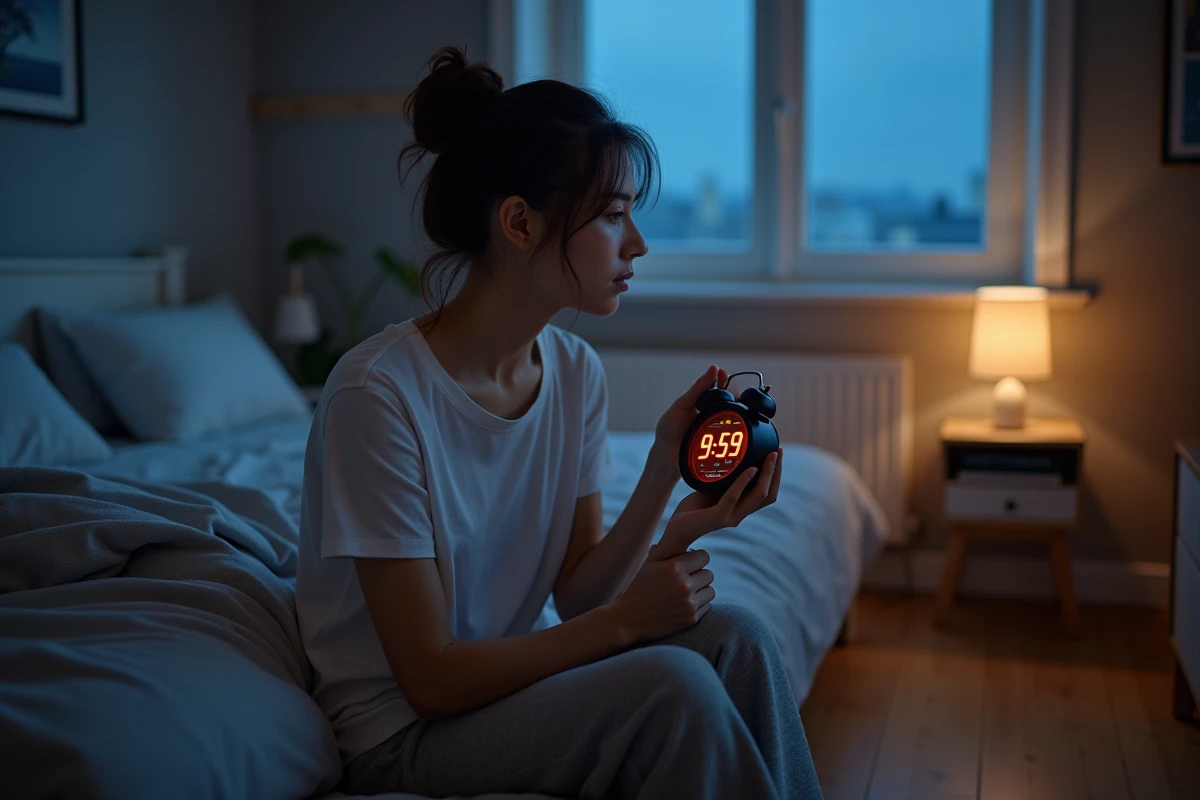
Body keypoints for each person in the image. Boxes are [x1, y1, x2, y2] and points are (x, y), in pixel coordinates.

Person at [295, 45, 823, 800]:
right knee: (671, 689)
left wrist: (664, 477)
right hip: (403, 736)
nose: (637, 243)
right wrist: (623, 629)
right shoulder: (375, 397)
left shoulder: (574, 372)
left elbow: (577, 593)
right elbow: (432, 680)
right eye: (612, 216)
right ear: (519, 222)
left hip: (511, 680)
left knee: (737, 636)